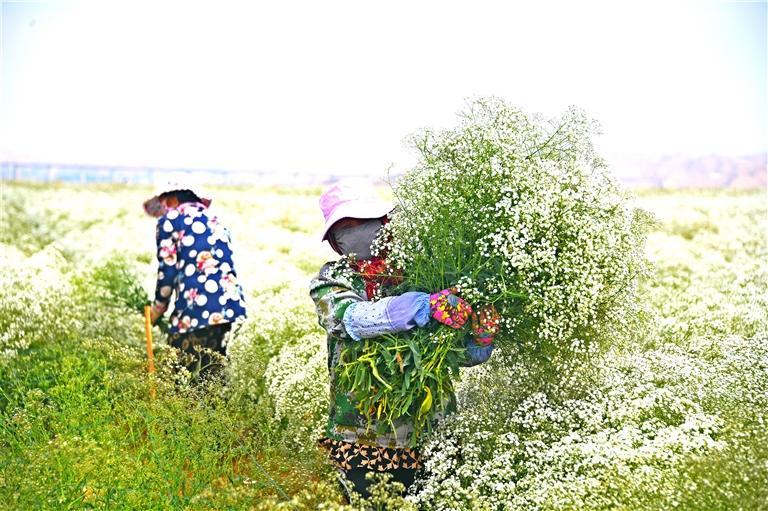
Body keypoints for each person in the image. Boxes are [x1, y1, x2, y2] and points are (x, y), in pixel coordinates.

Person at [310, 183, 496, 500]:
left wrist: (480, 338)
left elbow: (452, 352)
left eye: (364, 222)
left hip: (431, 431)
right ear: (335, 242)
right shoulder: (332, 279)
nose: (356, 234)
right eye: (345, 228)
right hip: (363, 435)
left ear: (385, 223)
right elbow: (348, 318)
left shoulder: (423, 269)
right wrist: (421, 306)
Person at [143, 182, 247, 381]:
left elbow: (168, 271)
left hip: (195, 309)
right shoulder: (216, 221)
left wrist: (158, 308)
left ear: (172, 199)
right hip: (228, 309)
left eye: (164, 204)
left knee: (181, 375)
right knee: (211, 376)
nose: (162, 209)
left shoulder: (170, 220)